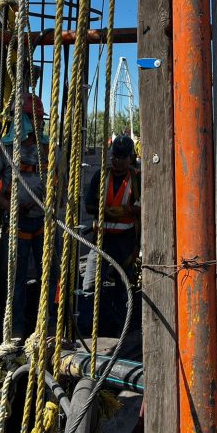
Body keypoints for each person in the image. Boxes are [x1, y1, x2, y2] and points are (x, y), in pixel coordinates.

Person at [0, 92, 49, 338]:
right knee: (16, 279)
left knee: (50, 274)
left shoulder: (48, 147)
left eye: (41, 119)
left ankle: (47, 326)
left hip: (43, 221)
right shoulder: (2, 148)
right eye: (35, 118)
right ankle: (15, 331)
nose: (41, 123)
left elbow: (59, 179)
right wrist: (8, 205)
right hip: (17, 225)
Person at [79, 135, 140, 335]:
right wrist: (105, 210)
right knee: (90, 284)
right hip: (101, 241)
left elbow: (147, 206)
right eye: (114, 156)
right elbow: (88, 205)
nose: (117, 161)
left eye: (122, 157)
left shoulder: (137, 178)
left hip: (125, 242)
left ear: (130, 157)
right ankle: (88, 328)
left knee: (124, 287)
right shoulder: (100, 176)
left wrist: (129, 210)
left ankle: (124, 331)